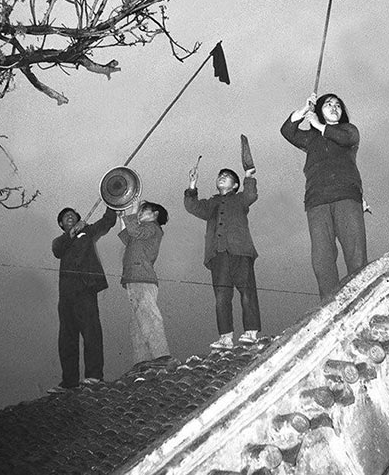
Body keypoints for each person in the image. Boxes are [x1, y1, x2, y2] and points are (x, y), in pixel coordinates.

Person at [281, 92, 368, 302]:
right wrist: (304, 111)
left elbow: (346, 138)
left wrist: (320, 125)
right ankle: (330, 306)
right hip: (316, 200)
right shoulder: (310, 139)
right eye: (328, 104)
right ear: (319, 110)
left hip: (346, 196)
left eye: (338, 105)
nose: (334, 107)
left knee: (355, 255)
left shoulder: (348, 130)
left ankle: (362, 301)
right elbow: (287, 131)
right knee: (322, 259)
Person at [184, 165, 261, 349]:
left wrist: (248, 176)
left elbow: (251, 195)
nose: (221, 177)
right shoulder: (212, 203)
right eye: (220, 175)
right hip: (218, 255)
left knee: (246, 292)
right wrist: (192, 184)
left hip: (240, 251)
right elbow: (192, 207)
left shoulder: (240, 199)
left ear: (235, 186)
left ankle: (251, 331)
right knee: (221, 297)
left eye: (226, 176)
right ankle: (225, 337)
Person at [49, 204, 116, 393]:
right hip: (66, 294)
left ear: (79, 219)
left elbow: (108, 221)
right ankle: (69, 382)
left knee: (91, 332)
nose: (69, 216)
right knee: (66, 338)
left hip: (85, 290)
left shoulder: (89, 232)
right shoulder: (59, 241)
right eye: (65, 216)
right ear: (62, 224)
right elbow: (57, 250)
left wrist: (111, 202)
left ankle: (94, 376)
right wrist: (71, 235)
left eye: (73, 215)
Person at [117, 199, 171, 364]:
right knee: (137, 324)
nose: (139, 213)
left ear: (155, 215)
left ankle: (161, 355)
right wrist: (123, 216)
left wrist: (132, 211)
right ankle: (142, 361)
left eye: (143, 210)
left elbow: (134, 231)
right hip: (134, 278)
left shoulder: (153, 228)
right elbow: (127, 235)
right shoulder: (141, 231)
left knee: (148, 316)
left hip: (142, 277)